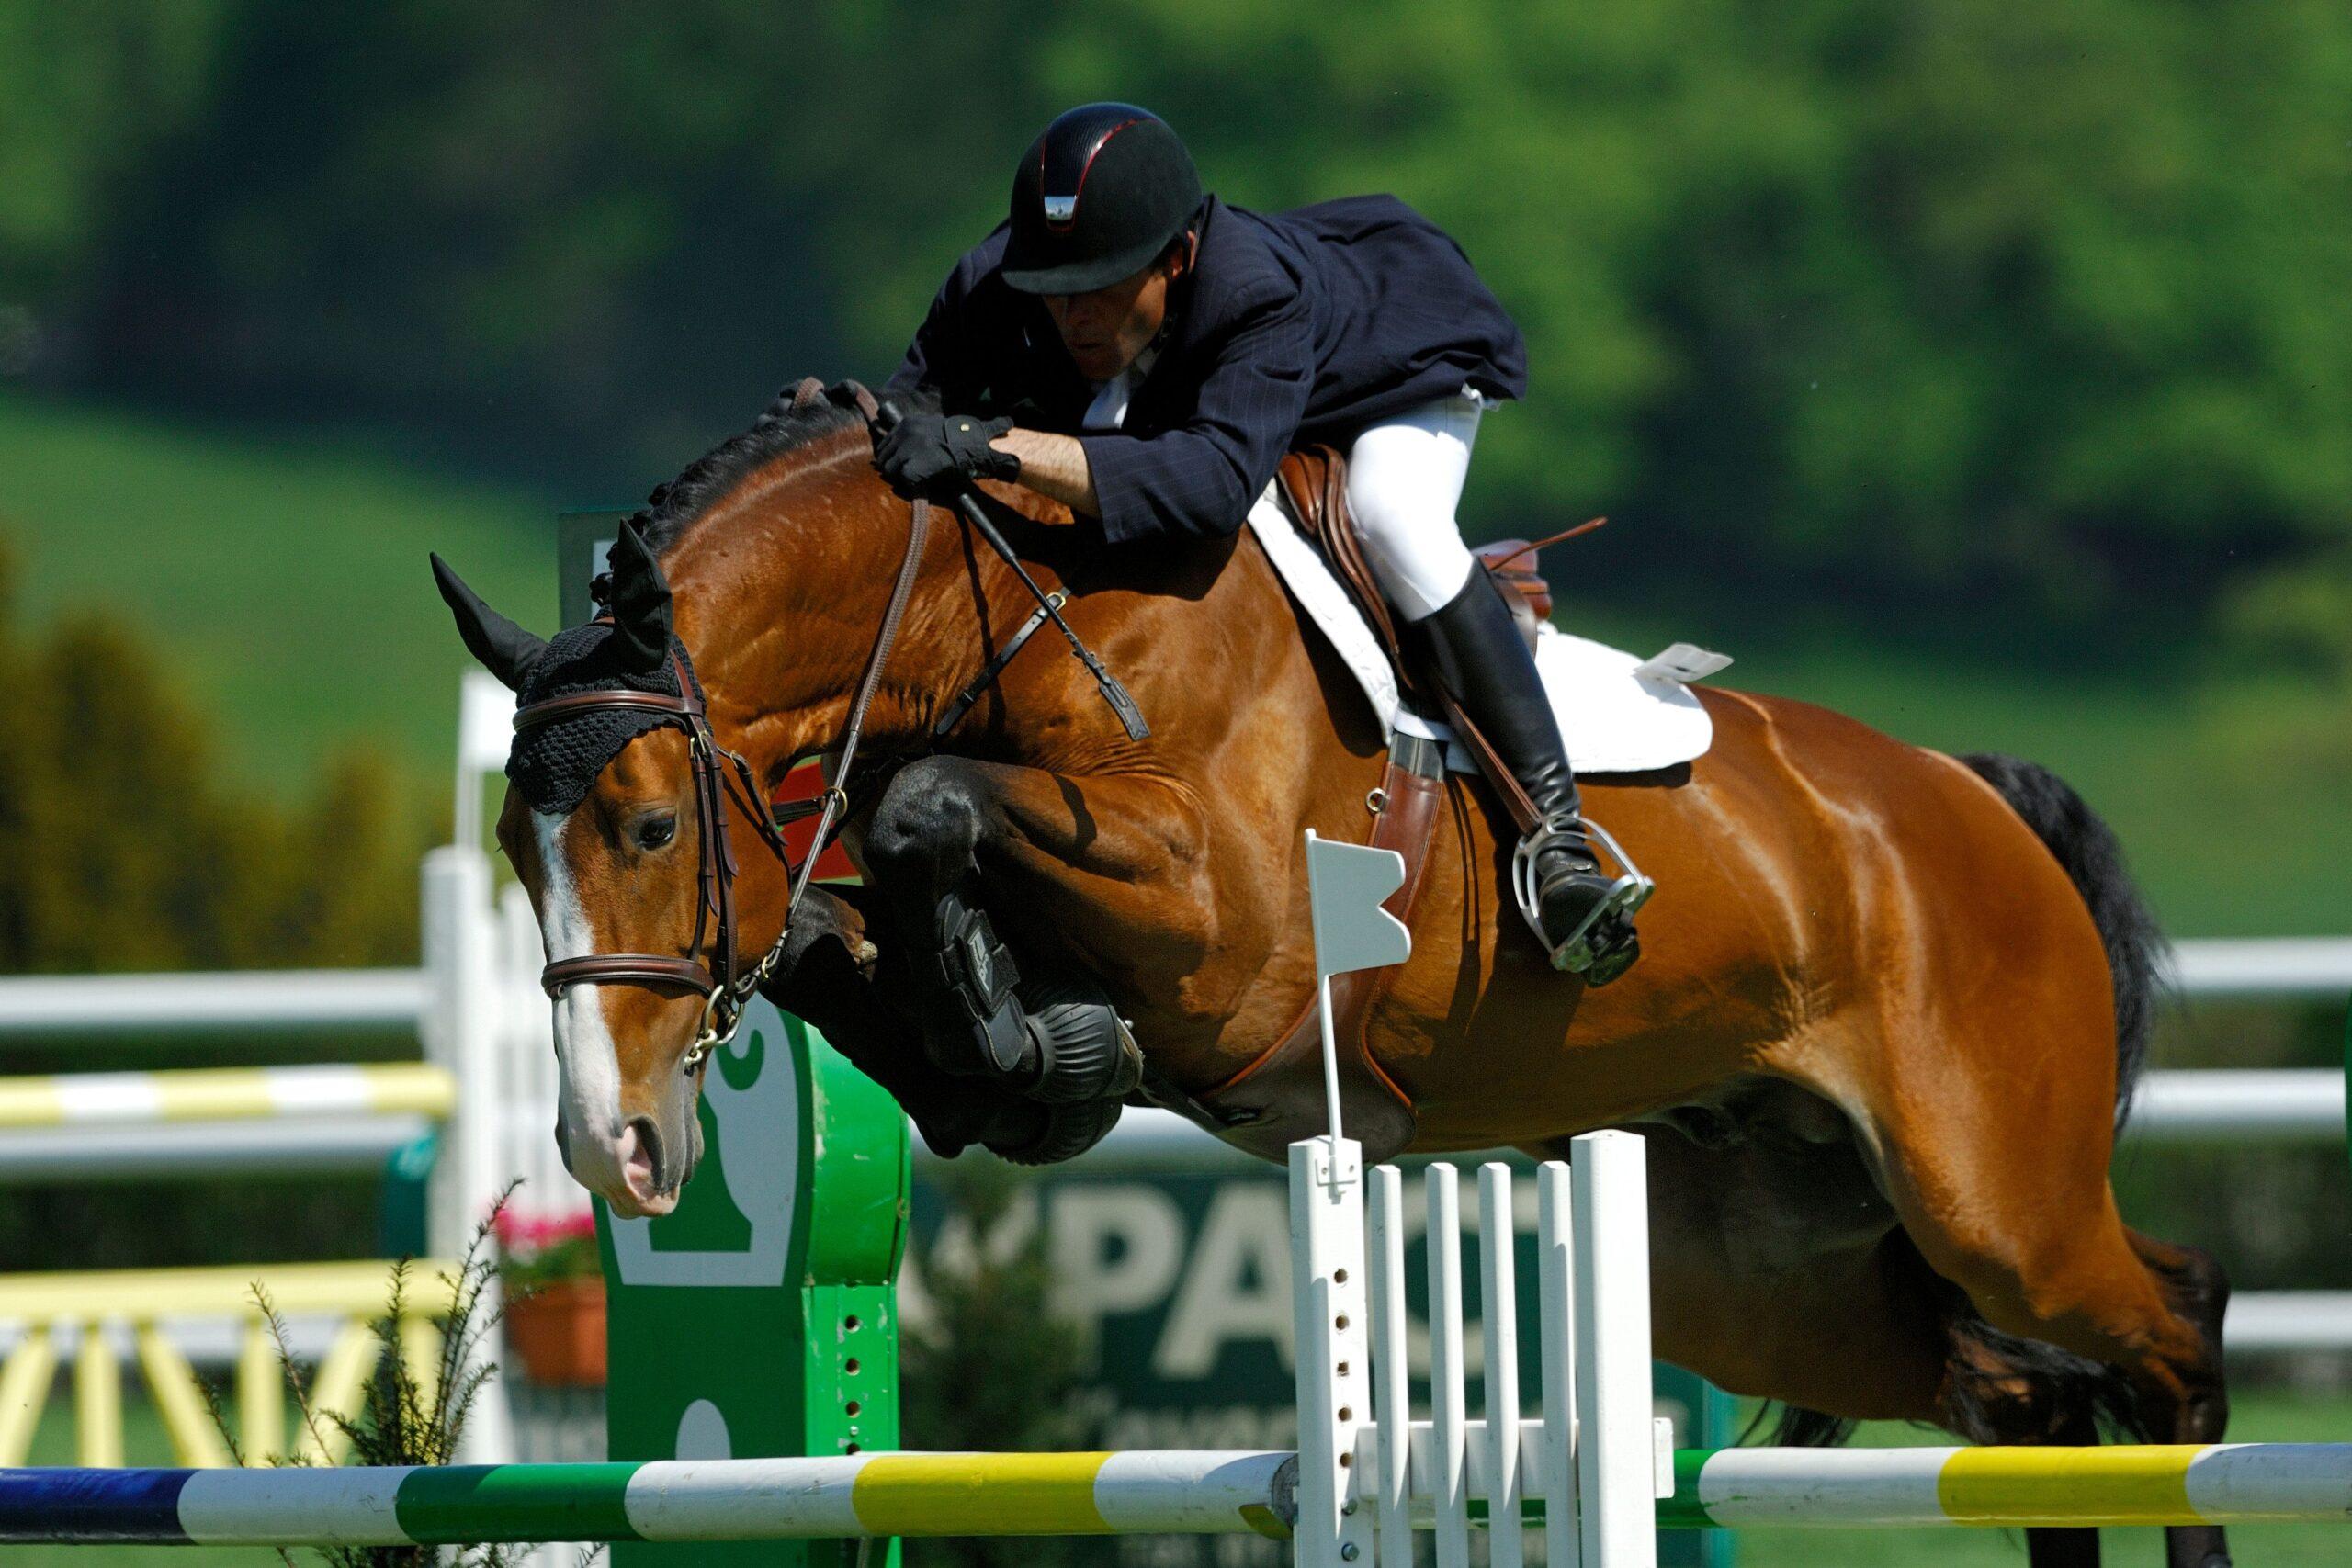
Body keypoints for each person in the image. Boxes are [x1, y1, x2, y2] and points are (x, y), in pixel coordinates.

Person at [878, 102, 1644, 983]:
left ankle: (1559, 843)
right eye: (1054, 289)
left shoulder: (1252, 294)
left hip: (1395, 362)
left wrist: (995, 445)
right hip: (1229, 382)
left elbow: (1209, 487)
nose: (1071, 314)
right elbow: (907, 410)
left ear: (1176, 258)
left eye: (1100, 286)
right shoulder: (1005, 278)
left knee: (1392, 517)